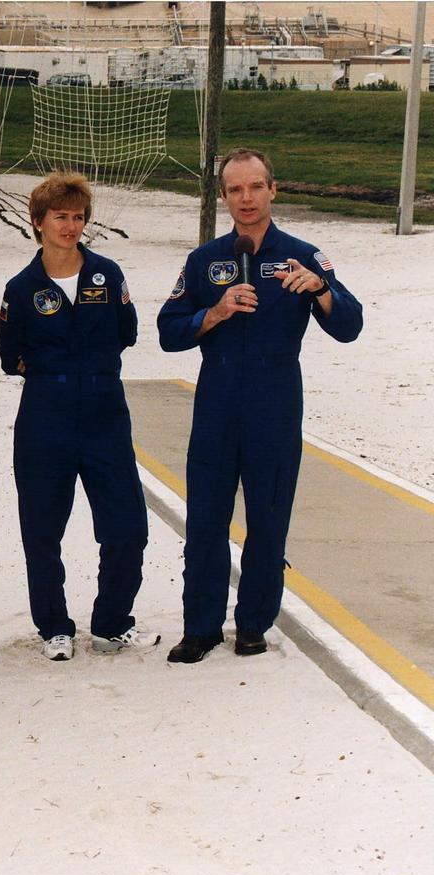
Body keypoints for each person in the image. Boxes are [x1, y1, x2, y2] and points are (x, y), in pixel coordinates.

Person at [158, 147, 363, 663]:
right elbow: (168, 331)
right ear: (223, 196)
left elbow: (349, 326)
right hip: (217, 402)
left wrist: (320, 289)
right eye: (234, 189)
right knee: (205, 519)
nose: (245, 198)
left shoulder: (302, 254)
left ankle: (253, 625)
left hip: (275, 400)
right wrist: (214, 312)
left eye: (255, 187)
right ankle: (201, 627)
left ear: (273, 189)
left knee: (269, 519)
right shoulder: (204, 261)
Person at [0, 173, 157, 662]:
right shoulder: (21, 287)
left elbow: (127, 332)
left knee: (127, 527)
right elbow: (10, 356)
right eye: (60, 217)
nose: (70, 226)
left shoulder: (107, 275)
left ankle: (111, 623)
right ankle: (54, 628)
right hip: (46, 419)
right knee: (43, 529)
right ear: (38, 222)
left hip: (106, 414)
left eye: (78, 217)